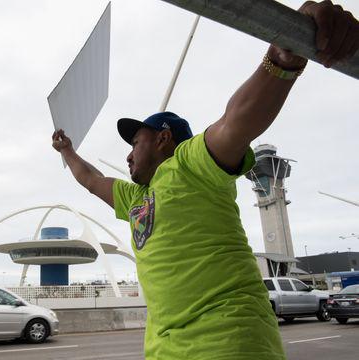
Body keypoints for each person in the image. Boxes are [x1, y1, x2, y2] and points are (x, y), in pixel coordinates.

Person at [51, 1, 358, 359]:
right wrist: (66, 150)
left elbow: (235, 123)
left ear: (164, 138)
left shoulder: (191, 162)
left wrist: (283, 58)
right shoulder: (135, 198)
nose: (129, 155)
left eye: (136, 143)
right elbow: (91, 178)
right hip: (164, 349)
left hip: (228, 340)